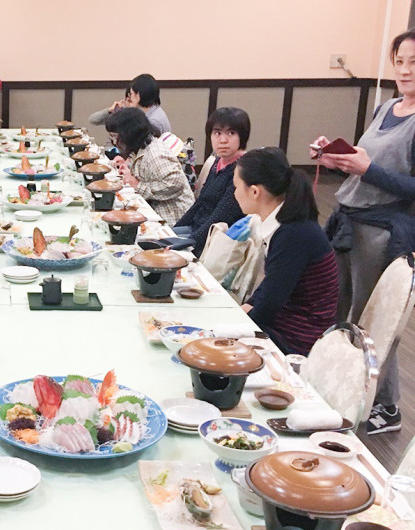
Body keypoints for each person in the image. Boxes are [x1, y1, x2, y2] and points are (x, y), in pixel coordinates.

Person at [314, 28, 415, 434]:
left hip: (382, 229)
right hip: (349, 219)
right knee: (339, 308)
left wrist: (367, 169)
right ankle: (339, 388)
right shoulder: (386, 107)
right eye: (400, 62)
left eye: (414, 63)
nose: (405, 71)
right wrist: (338, 159)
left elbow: (399, 181)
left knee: (373, 320)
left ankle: (385, 406)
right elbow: (365, 164)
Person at [234, 147, 339, 356]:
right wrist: (247, 307)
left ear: (255, 192)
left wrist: (237, 328)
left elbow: (270, 303)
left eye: (236, 187)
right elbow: (272, 285)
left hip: (298, 337)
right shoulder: (288, 223)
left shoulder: (292, 234)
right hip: (289, 322)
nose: (234, 193)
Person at [173, 107, 248, 251]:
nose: (223, 140)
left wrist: (187, 243)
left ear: (242, 136)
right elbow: (200, 202)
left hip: (215, 241)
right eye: (217, 133)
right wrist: (172, 232)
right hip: (196, 228)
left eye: (231, 133)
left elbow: (220, 218)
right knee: (155, 239)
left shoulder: (242, 170)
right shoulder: (218, 161)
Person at [107, 107, 194, 224]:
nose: (114, 141)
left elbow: (176, 183)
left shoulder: (155, 153)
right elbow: (144, 171)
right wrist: (126, 166)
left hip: (174, 216)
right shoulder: (141, 146)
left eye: (115, 136)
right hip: (157, 209)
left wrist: (139, 186)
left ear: (129, 134)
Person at [89, 73, 172, 135]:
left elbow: (138, 144)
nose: (129, 98)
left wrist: (129, 113)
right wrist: (110, 110)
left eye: (131, 94)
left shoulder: (154, 120)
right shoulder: (135, 110)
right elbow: (93, 120)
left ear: (140, 95)